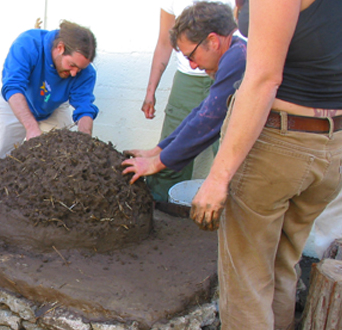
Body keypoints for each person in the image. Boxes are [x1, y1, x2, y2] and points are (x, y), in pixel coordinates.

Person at [190, 0, 342, 328]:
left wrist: (218, 176)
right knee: (282, 266)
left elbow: (263, 79)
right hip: (331, 145)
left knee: (247, 279)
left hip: (278, 144)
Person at [122, 2, 246, 185]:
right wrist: (157, 150)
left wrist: (156, 163)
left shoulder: (238, 59)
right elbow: (201, 112)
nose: (193, 65)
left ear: (213, 41)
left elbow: (208, 121)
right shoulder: (233, 52)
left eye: (191, 56)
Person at [139, 0, 229, 203]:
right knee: (177, 136)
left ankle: (228, 216)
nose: (193, 63)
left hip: (226, 70)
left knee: (227, 146)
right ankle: (161, 212)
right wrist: (151, 90)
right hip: (188, 80)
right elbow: (164, 42)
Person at [0, 20, 98, 160]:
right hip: (14, 101)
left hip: (52, 107)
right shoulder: (28, 44)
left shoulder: (86, 73)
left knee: (60, 158)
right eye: (72, 65)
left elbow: (84, 108)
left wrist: (85, 143)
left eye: (80, 69)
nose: (74, 73)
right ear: (60, 48)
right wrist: (31, 128)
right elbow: (13, 86)